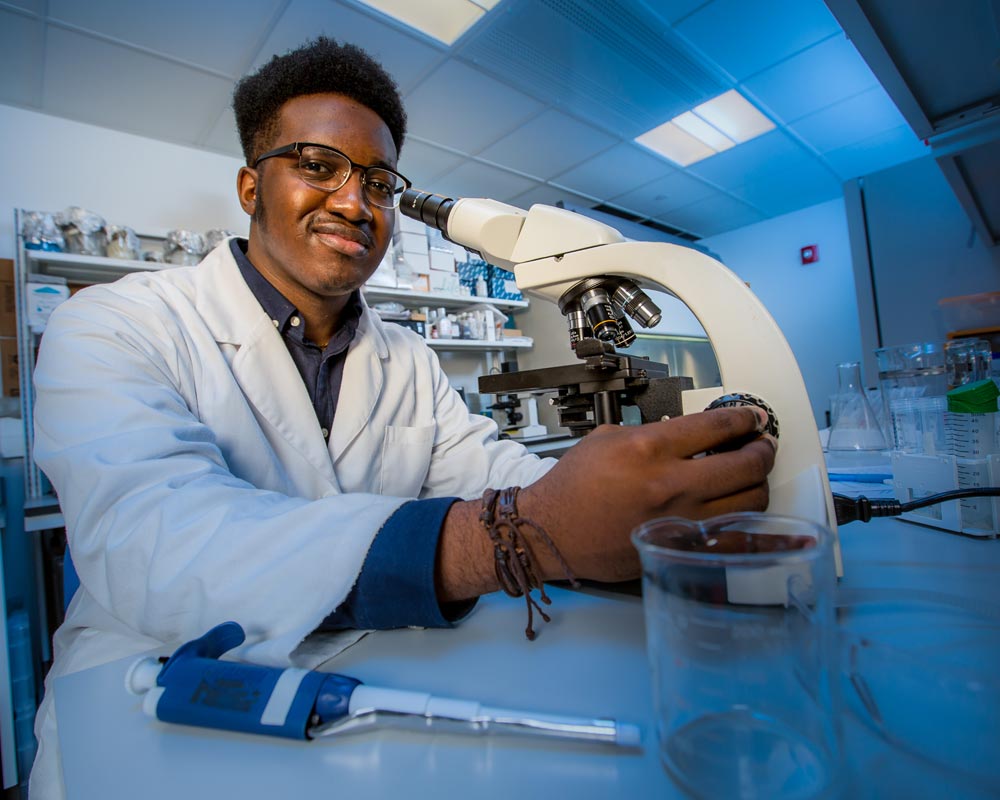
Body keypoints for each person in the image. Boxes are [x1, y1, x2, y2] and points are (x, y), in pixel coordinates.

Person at [28, 37, 775, 797]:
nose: (355, 203)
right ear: (251, 187)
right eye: (318, 166)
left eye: (379, 182)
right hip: (151, 713)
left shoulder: (406, 358)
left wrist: (633, 496)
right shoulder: (114, 323)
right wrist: (514, 534)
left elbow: (493, 473)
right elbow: (154, 541)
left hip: (361, 693)